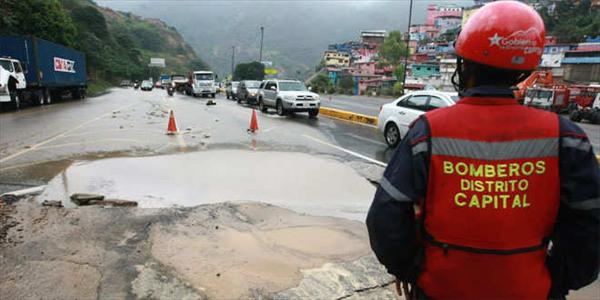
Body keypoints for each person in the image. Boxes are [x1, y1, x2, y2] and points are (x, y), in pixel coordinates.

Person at [366, 1, 599, 299]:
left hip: (440, 290)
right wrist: (556, 281)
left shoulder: (428, 131)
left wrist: (411, 269)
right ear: (524, 69)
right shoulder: (566, 138)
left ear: (465, 65)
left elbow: (386, 217)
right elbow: (590, 225)